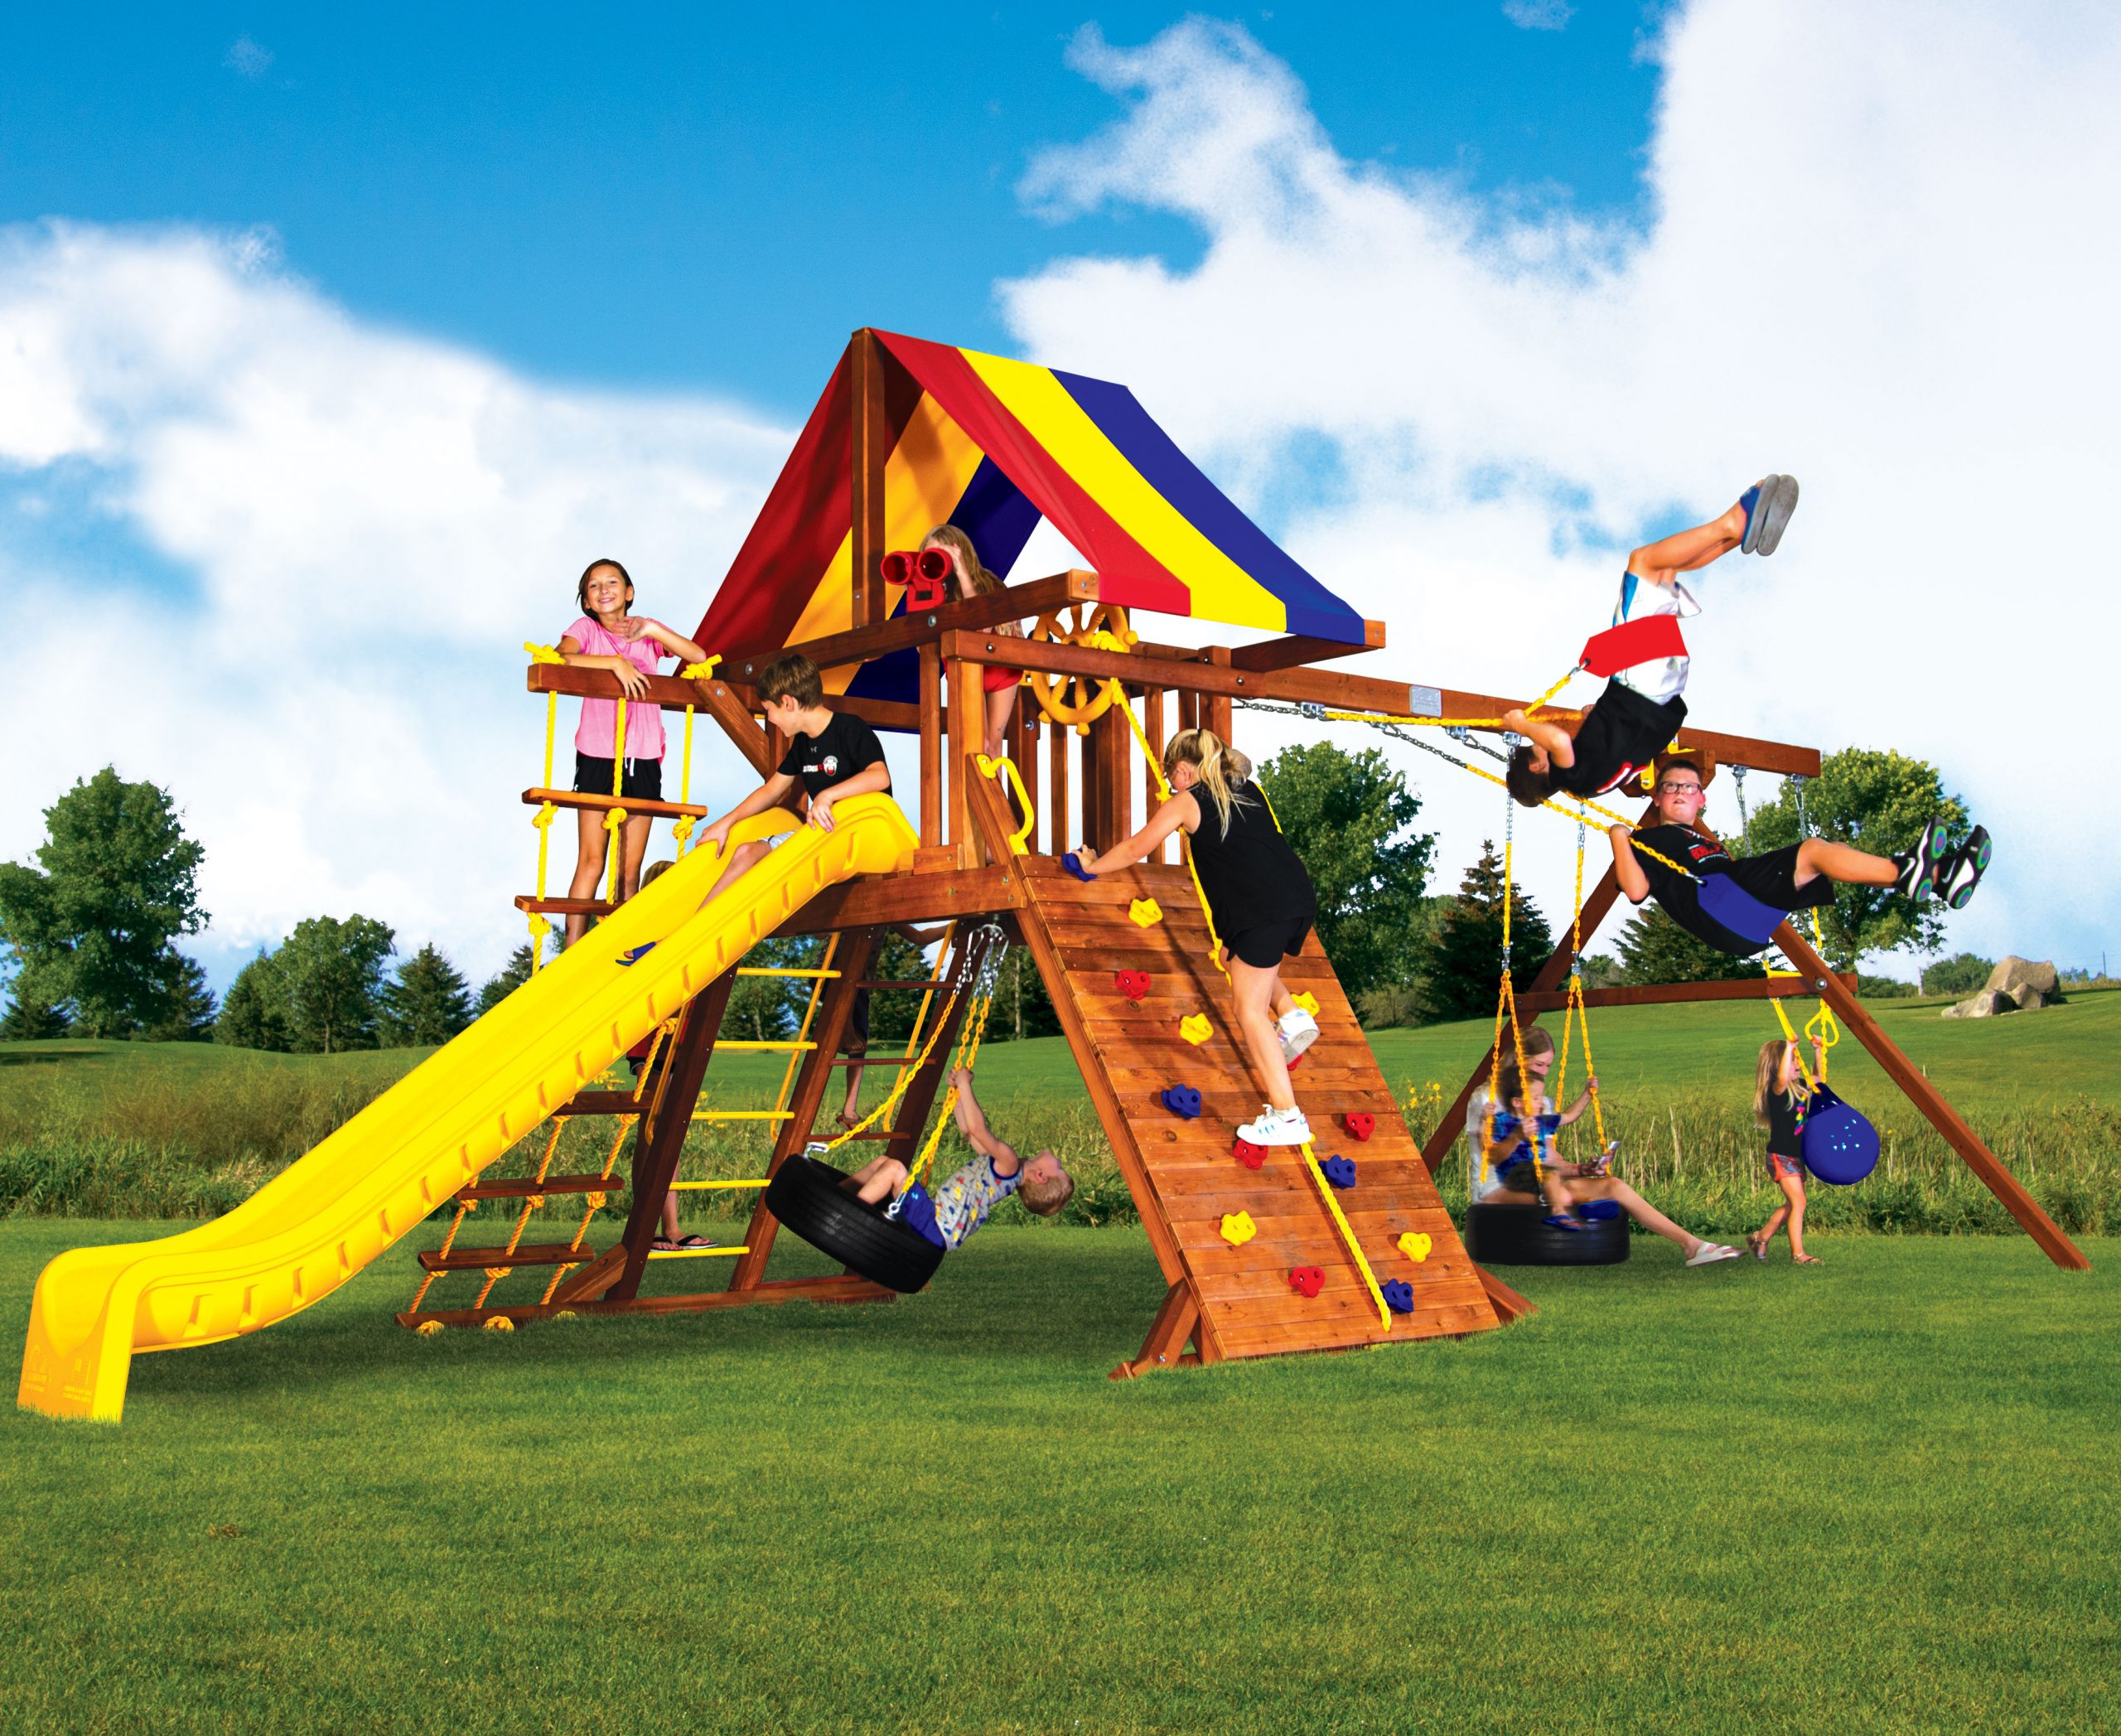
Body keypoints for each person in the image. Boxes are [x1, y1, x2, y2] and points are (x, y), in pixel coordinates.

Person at [1069, 728, 1319, 1147]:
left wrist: (1093, 866)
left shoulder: (1188, 801)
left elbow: (1135, 848)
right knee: (1235, 961)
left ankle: (1287, 1116)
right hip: (1293, 898)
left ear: (1184, 770)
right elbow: (1247, 855)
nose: (1171, 785)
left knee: (1249, 1011)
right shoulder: (1247, 789)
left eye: (1171, 777)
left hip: (1261, 910)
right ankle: (1292, 1015)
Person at [1504, 476, 1799, 810]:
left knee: (1664, 572)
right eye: (1536, 748)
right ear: (1537, 767)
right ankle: (1733, 523)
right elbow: (1556, 740)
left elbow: (1623, 750)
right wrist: (1522, 725)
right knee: (1643, 562)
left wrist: (1598, 720)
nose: (1544, 739)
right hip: (1638, 677)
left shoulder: (1588, 785)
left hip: (1664, 690)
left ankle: (1743, 533)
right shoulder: (1565, 770)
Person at [1608, 758, 1990, 959]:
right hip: (1723, 905)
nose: (1680, 792)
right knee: (1813, 851)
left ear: (1701, 800)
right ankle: (1911, 870)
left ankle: (1943, 877)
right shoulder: (1649, 840)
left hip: (1747, 916)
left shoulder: (1705, 841)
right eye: (1670, 786)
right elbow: (1636, 890)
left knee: (1834, 851)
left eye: (1690, 787)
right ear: (1656, 797)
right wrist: (1618, 837)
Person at [1467, 1028, 1739, 1265]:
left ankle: (1693, 1246)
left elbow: (1549, 1160)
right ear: (1518, 1059)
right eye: (1539, 1064)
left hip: (1541, 1180)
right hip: (1498, 1188)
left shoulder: (1541, 1103)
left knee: (1614, 1186)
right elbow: (1492, 1157)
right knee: (1560, 1194)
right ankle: (1588, 1205)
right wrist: (1517, 1135)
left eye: (1548, 1066)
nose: (1544, 1072)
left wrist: (1581, 1169)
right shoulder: (1486, 1099)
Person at [557, 559, 709, 946]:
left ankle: (620, 951)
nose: (604, 590)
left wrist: (653, 628)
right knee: (592, 860)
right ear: (587, 601)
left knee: (629, 870)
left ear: (629, 592)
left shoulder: (646, 630)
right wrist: (615, 664)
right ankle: (572, 951)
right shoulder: (586, 631)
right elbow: (558, 658)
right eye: (594, 586)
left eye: (612, 582)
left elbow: (699, 657)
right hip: (598, 755)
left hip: (643, 756)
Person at [693, 652, 896, 905]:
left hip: (860, 837)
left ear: (788, 703)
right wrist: (726, 822)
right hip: (822, 837)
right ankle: (695, 924)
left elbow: (880, 777)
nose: (770, 719)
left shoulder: (849, 729)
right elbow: (771, 790)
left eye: (769, 710)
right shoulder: (802, 743)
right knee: (746, 852)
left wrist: (827, 796)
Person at [843, 1066, 1074, 1249]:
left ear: (1040, 1176)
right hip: (934, 1225)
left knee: (894, 1169)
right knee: (883, 1163)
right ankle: (839, 1193)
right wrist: (957, 1094)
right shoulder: (1002, 1170)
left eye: (1060, 1168)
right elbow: (968, 1131)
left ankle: (848, 1217)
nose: (1060, 1162)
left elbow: (979, 1129)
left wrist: (965, 1083)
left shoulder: (1010, 1163)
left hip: (934, 1225)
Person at [921, 523, 1023, 762]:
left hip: (999, 666)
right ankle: (975, 786)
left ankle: (995, 787)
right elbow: (921, 648)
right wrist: (919, 589)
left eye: (941, 556)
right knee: (978, 742)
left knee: (993, 747)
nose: (937, 562)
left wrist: (962, 572)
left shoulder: (987, 582)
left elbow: (982, 629)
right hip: (964, 667)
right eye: (929, 557)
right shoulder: (933, 592)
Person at [837, 923, 951, 1132]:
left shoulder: (884, 917)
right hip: (835, 975)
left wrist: (953, 927)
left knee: (858, 1047)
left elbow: (919, 937)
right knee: (853, 1044)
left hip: (859, 982)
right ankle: (849, 1110)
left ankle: (849, 1111)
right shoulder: (851, 913)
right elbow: (819, 935)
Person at [1749, 1036, 1824, 1264]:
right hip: (1781, 1155)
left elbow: (1819, 1079)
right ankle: (1798, 1255)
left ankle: (1760, 1238)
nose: (1798, 1064)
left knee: (1794, 1204)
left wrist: (1817, 1051)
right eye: (1792, 1060)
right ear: (1777, 1066)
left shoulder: (1799, 1086)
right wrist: (1790, 1046)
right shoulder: (1777, 1090)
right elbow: (1782, 1078)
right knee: (1799, 1203)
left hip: (1796, 1155)